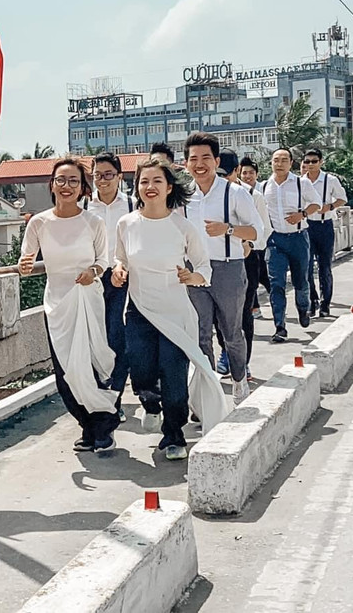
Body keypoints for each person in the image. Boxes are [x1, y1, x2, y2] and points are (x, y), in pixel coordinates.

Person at [112, 158, 232, 461]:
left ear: (168, 187)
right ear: (137, 187)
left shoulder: (183, 226)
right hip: (139, 310)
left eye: (156, 181)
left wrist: (193, 277)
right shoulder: (126, 224)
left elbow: (204, 266)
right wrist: (119, 269)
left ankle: (174, 434)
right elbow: (120, 258)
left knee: (173, 375)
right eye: (143, 181)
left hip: (176, 312)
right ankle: (151, 404)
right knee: (140, 371)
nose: (149, 187)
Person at [19, 158, 120, 454]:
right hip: (57, 303)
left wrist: (93, 272)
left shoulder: (93, 222)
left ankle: (104, 426)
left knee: (89, 365)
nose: (66, 186)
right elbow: (26, 260)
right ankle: (86, 426)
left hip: (87, 299)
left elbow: (103, 261)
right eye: (61, 180)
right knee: (65, 371)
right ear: (52, 185)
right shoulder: (38, 222)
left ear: (83, 187)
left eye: (73, 181)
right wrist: (24, 265)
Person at [182, 135, 262, 400]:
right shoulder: (183, 197)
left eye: (206, 158)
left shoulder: (235, 193)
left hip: (228, 268)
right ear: (186, 163)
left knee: (231, 331)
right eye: (193, 159)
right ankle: (209, 389)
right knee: (200, 332)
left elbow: (256, 232)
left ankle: (239, 378)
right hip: (194, 270)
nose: (200, 164)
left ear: (216, 161)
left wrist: (227, 229)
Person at [88, 152, 134, 423]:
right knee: (94, 339)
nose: (102, 181)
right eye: (97, 176)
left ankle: (115, 397)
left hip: (122, 277)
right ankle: (97, 396)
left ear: (119, 176)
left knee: (118, 338)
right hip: (90, 280)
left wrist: (124, 266)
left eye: (108, 175)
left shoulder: (132, 204)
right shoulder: (84, 204)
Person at [261, 148, 319, 344]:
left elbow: (316, 204)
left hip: (298, 238)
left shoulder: (302, 183)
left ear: (291, 162)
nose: (279, 163)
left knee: (301, 281)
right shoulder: (264, 187)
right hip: (275, 240)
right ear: (271, 162)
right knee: (276, 284)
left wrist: (301, 215)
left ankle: (303, 308)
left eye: (284, 160)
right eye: (276, 160)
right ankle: (280, 327)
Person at [300, 149, 347, 318]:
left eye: (314, 161)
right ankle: (312, 301)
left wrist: (331, 207)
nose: (310, 165)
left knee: (324, 267)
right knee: (306, 268)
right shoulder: (300, 182)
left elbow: (342, 198)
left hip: (324, 225)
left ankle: (325, 303)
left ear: (321, 162)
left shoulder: (329, 180)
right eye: (307, 161)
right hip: (306, 227)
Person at [237, 157, 270, 369]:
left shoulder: (253, 196)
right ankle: (228, 353)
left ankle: (243, 362)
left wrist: (249, 243)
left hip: (249, 256)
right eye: (243, 172)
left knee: (244, 309)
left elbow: (264, 229)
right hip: (217, 261)